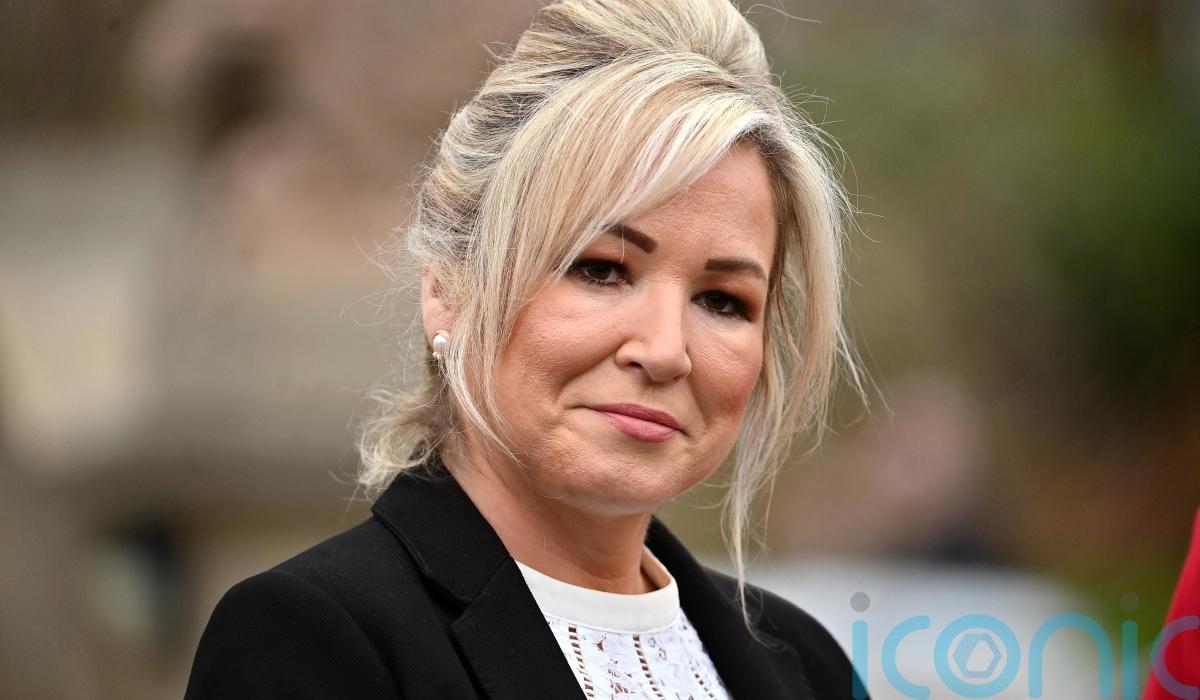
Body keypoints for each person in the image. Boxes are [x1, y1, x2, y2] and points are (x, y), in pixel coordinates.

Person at [184, 0, 867, 697]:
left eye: (722, 301)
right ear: (448, 286)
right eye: (601, 269)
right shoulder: (311, 636)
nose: (665, 351)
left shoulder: (811, 665)